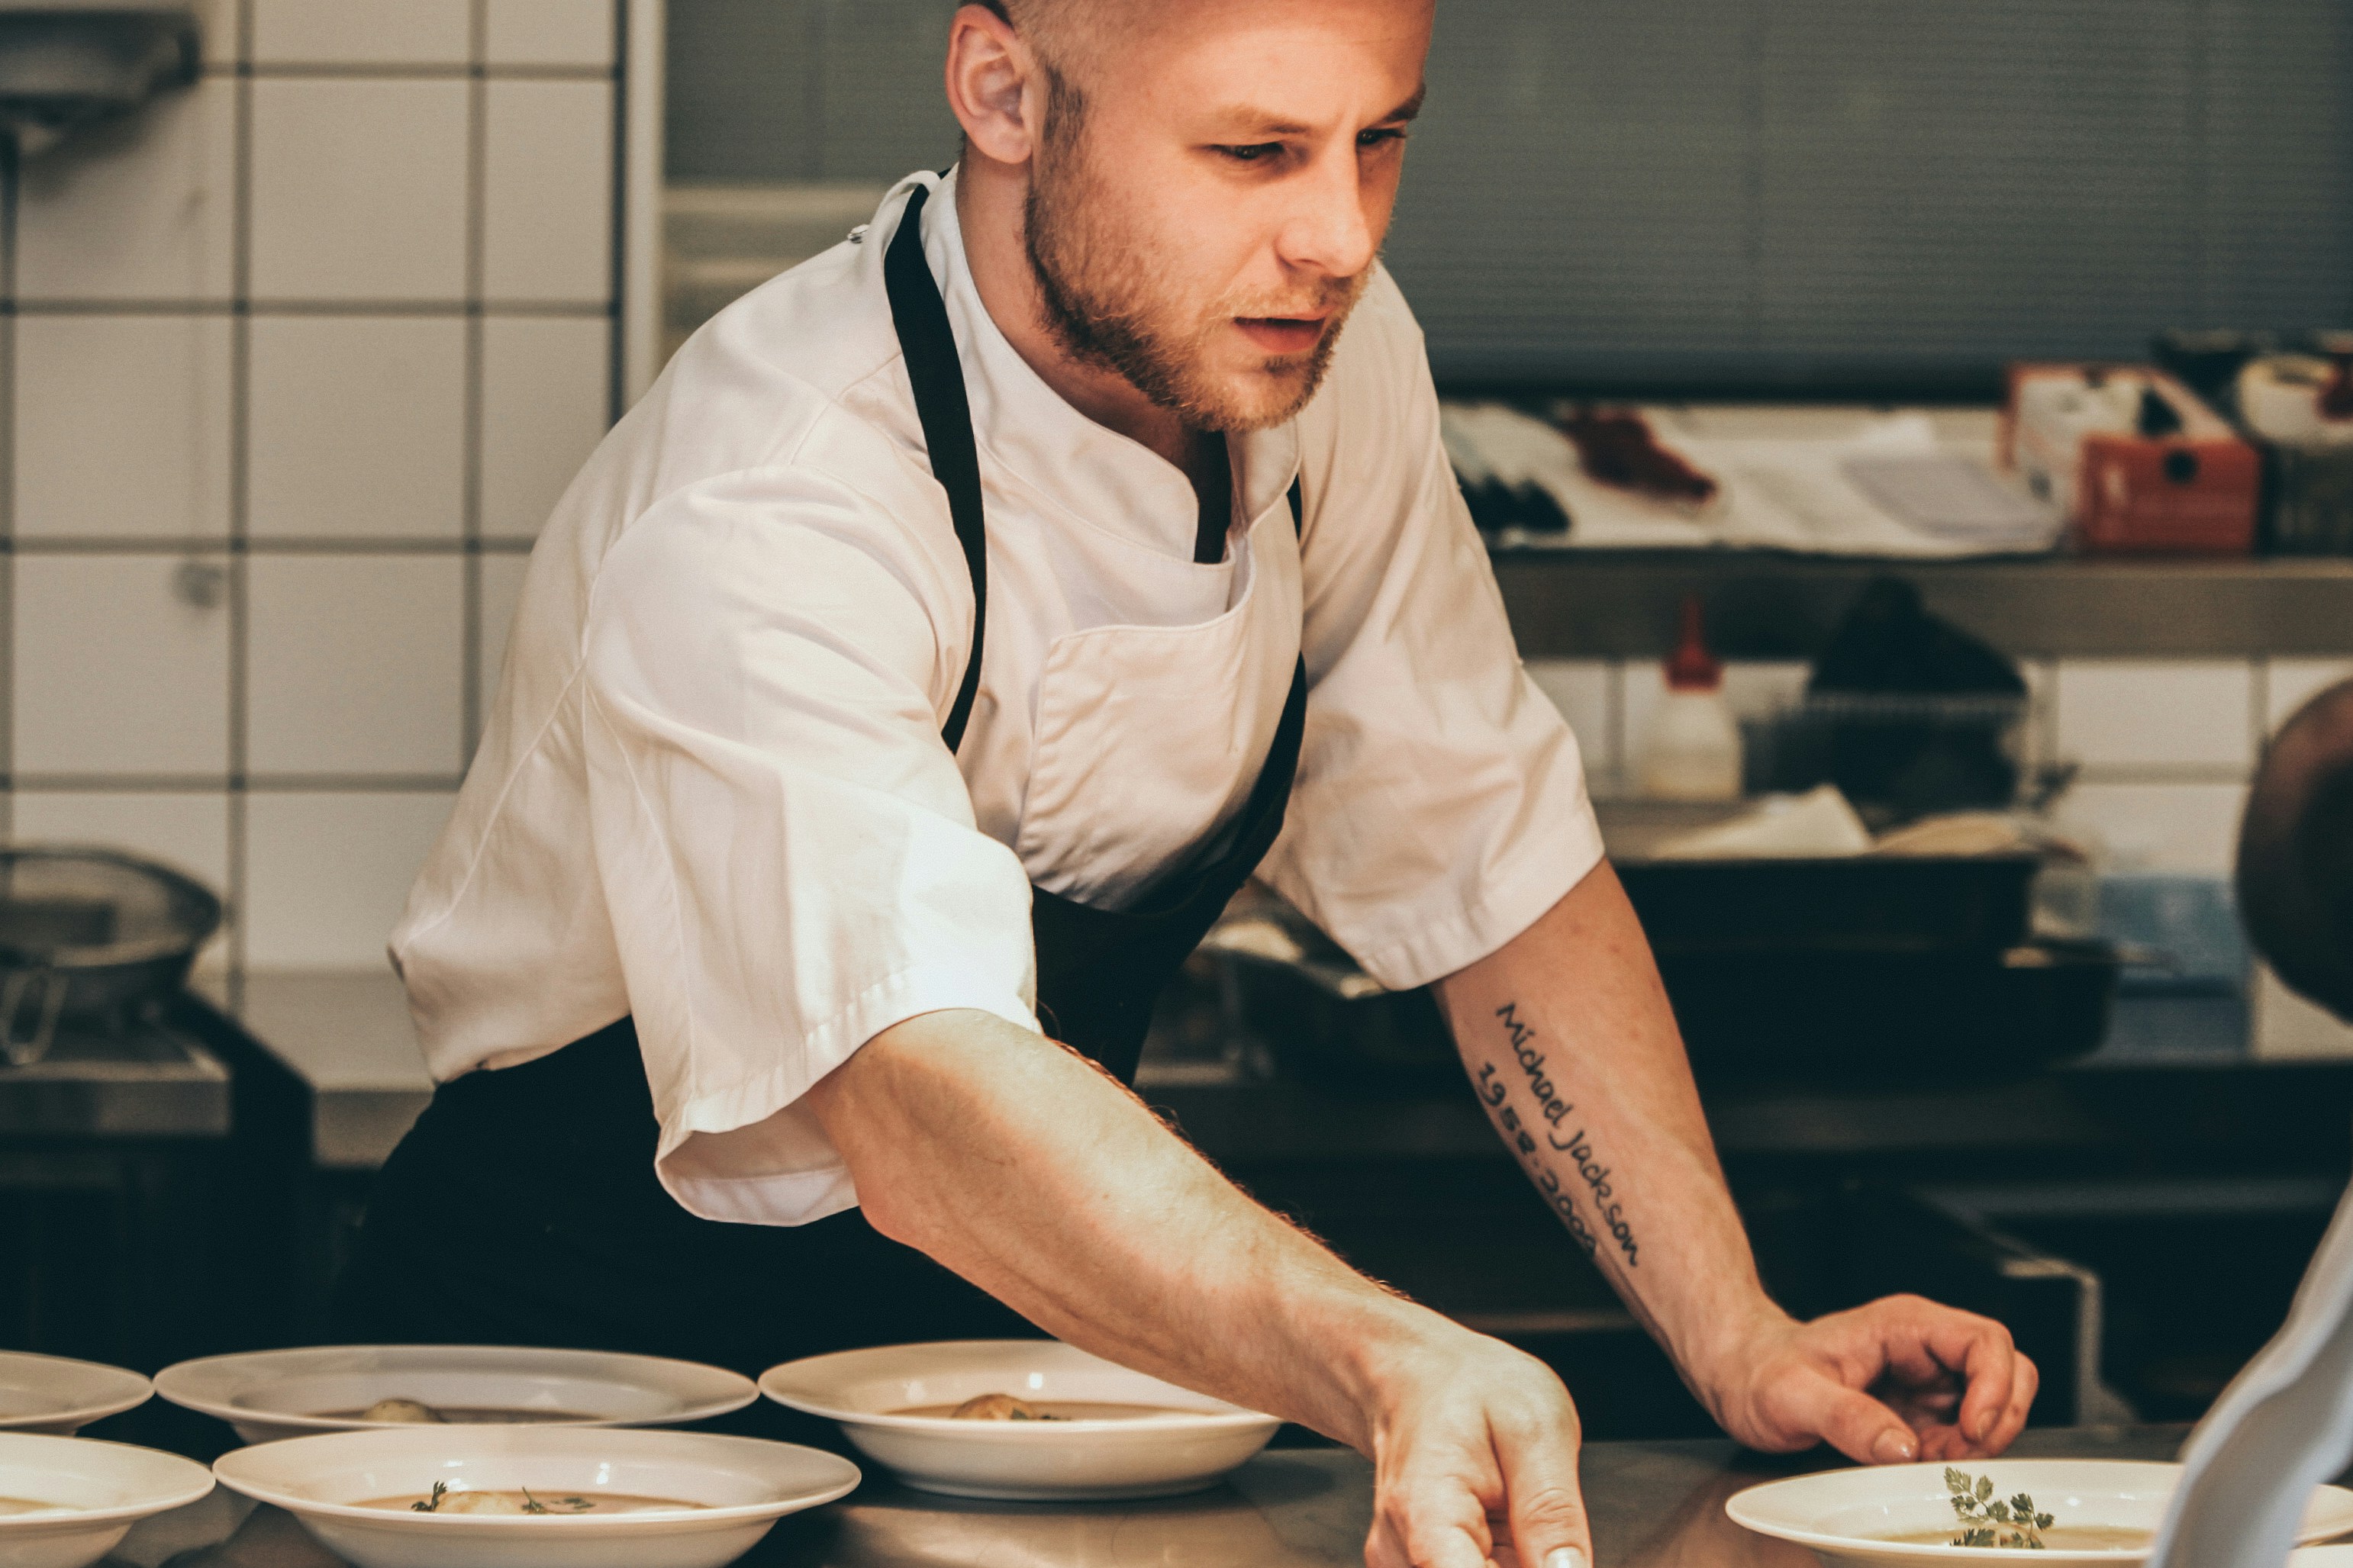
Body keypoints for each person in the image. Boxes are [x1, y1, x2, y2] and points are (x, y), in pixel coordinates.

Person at [337, 4, 2036, 1564]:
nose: (1342, 237)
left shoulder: (1317, 367)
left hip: (981, 1412)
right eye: (1253, 152)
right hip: (571, 1421)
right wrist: (1379, 1349)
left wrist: (1737, 1329)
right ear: (1004, 93)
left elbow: (1490, 862)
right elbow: (920, 1108)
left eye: (1380, 140)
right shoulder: (775, 493)